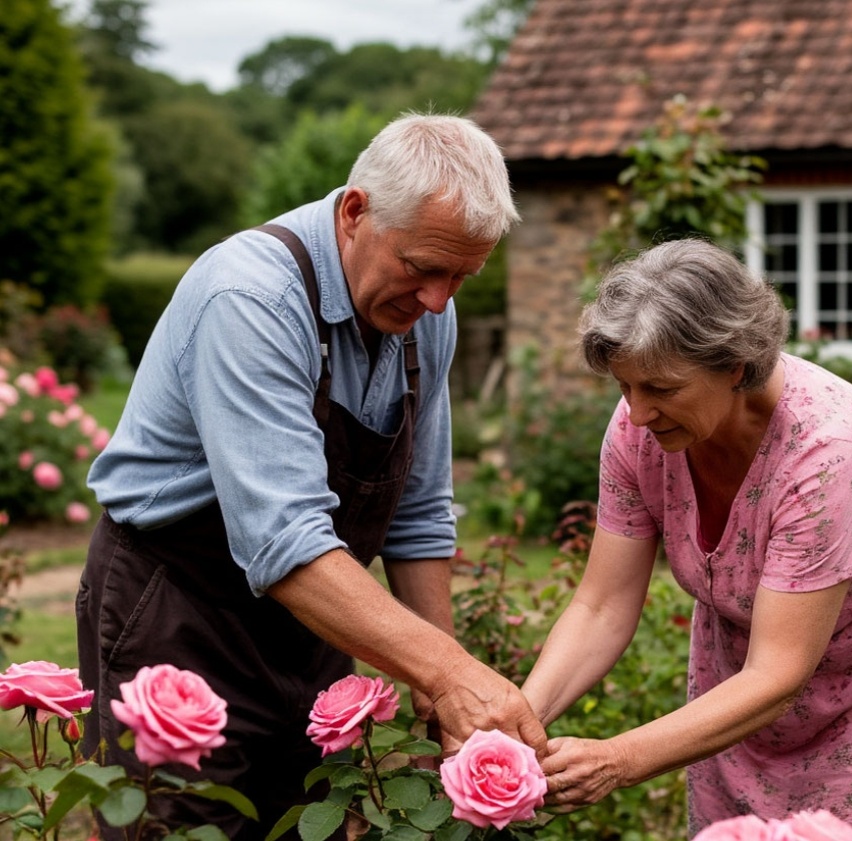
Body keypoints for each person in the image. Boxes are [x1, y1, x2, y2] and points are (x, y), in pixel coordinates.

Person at [76, 113, 547, 839]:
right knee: (184, 826)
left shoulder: (426, 313)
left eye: (462, 275)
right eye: (423, 266)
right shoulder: (250, 298)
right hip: (180, 613)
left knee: (309, 824)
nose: (439, 300)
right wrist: (452, 671)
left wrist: (434, 698)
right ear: (357, 211)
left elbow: (419, 513)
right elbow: (284, 541)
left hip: (316, 619)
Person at [524, 239, 852, 841]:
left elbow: (778, 672)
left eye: (660, 388)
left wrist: (619, 759)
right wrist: (522, 722)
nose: (636, 413)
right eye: (624, 388)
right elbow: (601, 606)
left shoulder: (827, 447)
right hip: (746, 668)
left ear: (734, 365)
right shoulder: (640, 433)